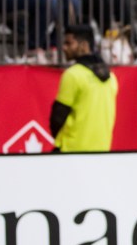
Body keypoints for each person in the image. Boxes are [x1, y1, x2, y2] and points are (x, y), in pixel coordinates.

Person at [50, 24, 119, 152]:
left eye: (69, 43)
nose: (64, 48)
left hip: (70, 151)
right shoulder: (111, 77)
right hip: (102, 150)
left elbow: (57, 118)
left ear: (84, 45)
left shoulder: (73, 74)